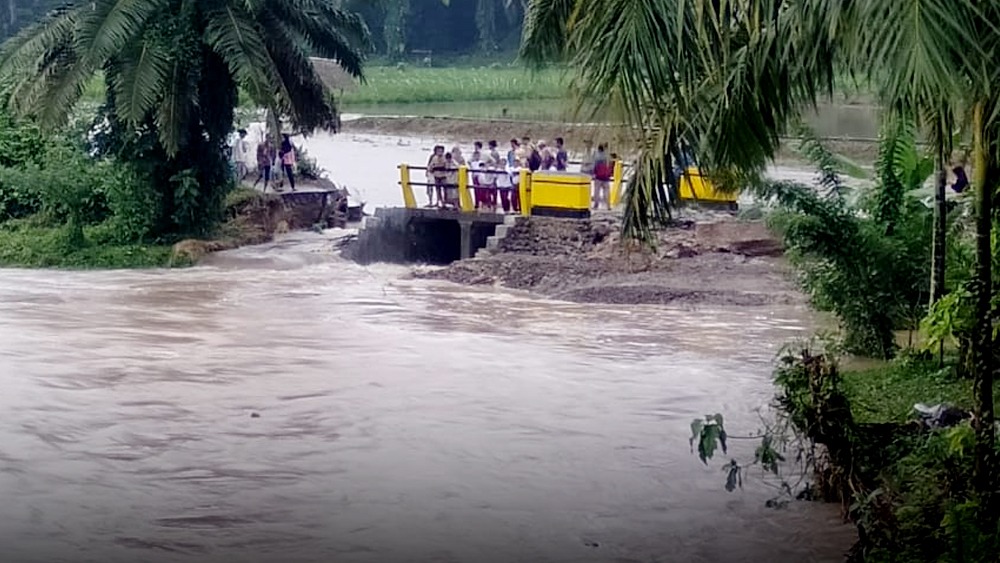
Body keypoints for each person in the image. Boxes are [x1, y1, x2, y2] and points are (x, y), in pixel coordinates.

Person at [592, 144, 612, 210]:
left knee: (597, 192)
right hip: (606, 177)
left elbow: (594, 166)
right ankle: (608, 205)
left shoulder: (597, 156)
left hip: (598, 177)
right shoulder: (608, 157)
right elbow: (610, 166)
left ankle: (596, 205)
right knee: (606, 192)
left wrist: (594, 173)